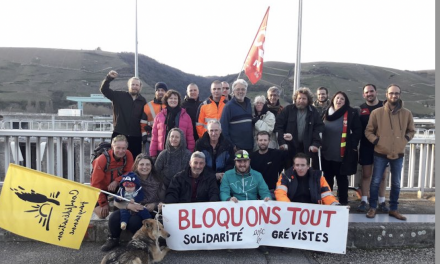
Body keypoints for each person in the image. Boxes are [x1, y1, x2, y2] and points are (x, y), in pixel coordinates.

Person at [365, 84, 415, 220]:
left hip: (398, 154)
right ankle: (373, 207)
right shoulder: (377, 113)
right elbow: (368, 131)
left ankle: (394, 209)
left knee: (396, 183)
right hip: (380, 152)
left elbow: (411, 130)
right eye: (392, 93)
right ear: (386, 95)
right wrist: (377, 141)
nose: (394, 96)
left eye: (397, 93)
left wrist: (404, 139)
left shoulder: (407, 113)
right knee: (375, 181)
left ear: (400, 95)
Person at [101, 154, 165, 252]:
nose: (144, 167)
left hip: (147, 211)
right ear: (136, 166)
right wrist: (128, 206)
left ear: (151, 166)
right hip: (128, 207)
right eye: (141, 164)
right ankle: (113, 239)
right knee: (114, 217)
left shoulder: (158, 181)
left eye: (147, 164)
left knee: (134, 222)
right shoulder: (129, 179)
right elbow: (117, 201)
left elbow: (163, 200)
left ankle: (143, 243)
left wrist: (154, 205)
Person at [321, 91, 362, 205]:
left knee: (342, 180)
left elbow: (358, 130)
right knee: (327, 179)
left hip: (343, 155)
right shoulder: (325, 113)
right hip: (327, 153)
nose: (339, 100)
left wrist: (353, 144)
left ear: (346, 102)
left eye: (342, 99)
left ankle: (343, 203)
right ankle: (327, 202)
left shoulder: (351, 113)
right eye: (337, 98)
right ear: (333, 100)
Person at [357, 84, 389, 213]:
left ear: (376, 92)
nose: (369, 94)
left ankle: (382, 201)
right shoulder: (360, 109)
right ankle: (364, 200)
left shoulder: (385, 106)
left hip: (383, 146)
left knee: (382, 176)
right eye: (367, 92)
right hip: (366, 146)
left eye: (371, 91)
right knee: (366, 175)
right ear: (364, 95)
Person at [100, 70, 146, 158]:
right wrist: (109, 78)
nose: (134, 87)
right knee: (116, 160)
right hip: (119, 134)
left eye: (137, 85)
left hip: (136, 136)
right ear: (128, 86)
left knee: (134, 161)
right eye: (132, 84)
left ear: (140, 87)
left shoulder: (142, 101)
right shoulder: (119, 95)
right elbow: (104, 90)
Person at [274, 87, 324, 169]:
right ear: (295, 99)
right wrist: (282, 142)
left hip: (308, 148)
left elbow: (319, 128)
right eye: (299, 98)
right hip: (290, 147)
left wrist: (315, 144)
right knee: (290, 171)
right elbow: (279, 126)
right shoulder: (288, 110)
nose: (301, 101)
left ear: (308, 100)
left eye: (304, 98)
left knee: (306, 172)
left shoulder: (313, 111)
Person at [91, 135, 134, 219]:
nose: (121, 151)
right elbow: (95, 184)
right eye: (118, 148)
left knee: (127, 209)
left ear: (127, 148)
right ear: (112, 147)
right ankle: (92, 205)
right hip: (101, 189)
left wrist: (117, 181)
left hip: (117, 187)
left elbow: (129, 173)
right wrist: (103, 203)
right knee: (102, 214)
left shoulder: (128, 155)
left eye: (123, 148)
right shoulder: (102, 159)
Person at [275, 153, 340, 205]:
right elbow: (280, 193)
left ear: (308, 166)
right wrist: (289, 206)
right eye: (297, 165)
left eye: (303, 165)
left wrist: (334, 204)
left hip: (313, 211)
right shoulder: (285, 176)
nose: (300, 168)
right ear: (294, 166)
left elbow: (326, 194)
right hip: (292, 209)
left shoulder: (318, 177)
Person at [149, 89, 195, 157]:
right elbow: (154, 137)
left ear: (178, 100)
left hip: (181, 153)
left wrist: (190, 153)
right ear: (166, 100)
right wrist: (153, 154)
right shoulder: (159, 116)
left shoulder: (186, 116)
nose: (173, 100)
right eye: (170, 98)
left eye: (175, 98)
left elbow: (190, 136)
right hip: (162, 152)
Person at [195, 120, 234, 185]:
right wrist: (213, 175)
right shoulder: (200, 144)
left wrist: (225, 175)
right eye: (211, 130)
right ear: (207, 131)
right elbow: (198, 164)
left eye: (216, 130)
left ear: (220, 131)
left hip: (223, 178)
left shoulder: (228, 145)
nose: (213, 133)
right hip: (204, 179)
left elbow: (230, 163)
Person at [250, 131, 288, 198]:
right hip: (255, 191)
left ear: (269, 141)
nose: (263, 142)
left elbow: (291, 154)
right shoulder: (252, 157)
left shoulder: (276, 154)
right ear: (257, 141)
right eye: (261, 140)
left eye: (265, 140)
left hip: (271, 191)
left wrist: (290, 142)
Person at [220, 79, 253, 152]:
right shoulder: (228, 107)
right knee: (238, 164)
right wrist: (232, 146)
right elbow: (223, 128)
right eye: (238, 89)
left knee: (249, 163)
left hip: (250, 147)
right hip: (236, 149)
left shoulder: (250, 105)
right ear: (233, 91)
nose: (240, 91)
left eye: (243, 89)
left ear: (246, 91)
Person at [140, 82, 167, 155]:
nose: (160, 92)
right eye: (158, 90)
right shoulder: (147, 106)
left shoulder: (170, 105)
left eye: (163, 90)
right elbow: (143, 123)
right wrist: (144, 136)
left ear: (166, 92)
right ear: (155, 92)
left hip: (166, 140)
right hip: (150, 140)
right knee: (150, 162)